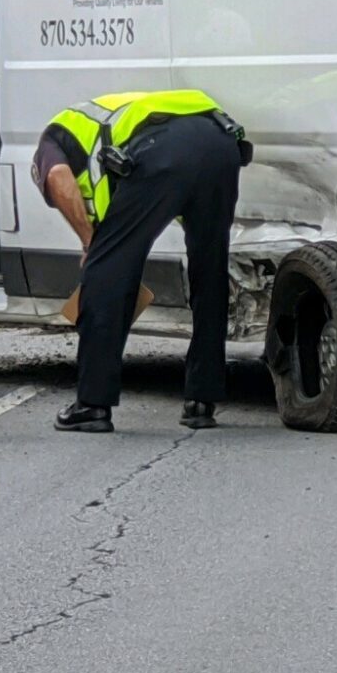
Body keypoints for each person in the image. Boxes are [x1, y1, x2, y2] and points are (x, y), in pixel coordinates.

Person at [32, 90, 250, 433]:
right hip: (220, 144)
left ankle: (92, 405)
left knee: (107, 270)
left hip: (159, 150)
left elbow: (58, 176)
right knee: (210, 269)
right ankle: (201, 400)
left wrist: (89, 241)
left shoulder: (54, 137)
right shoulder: (118, 114)